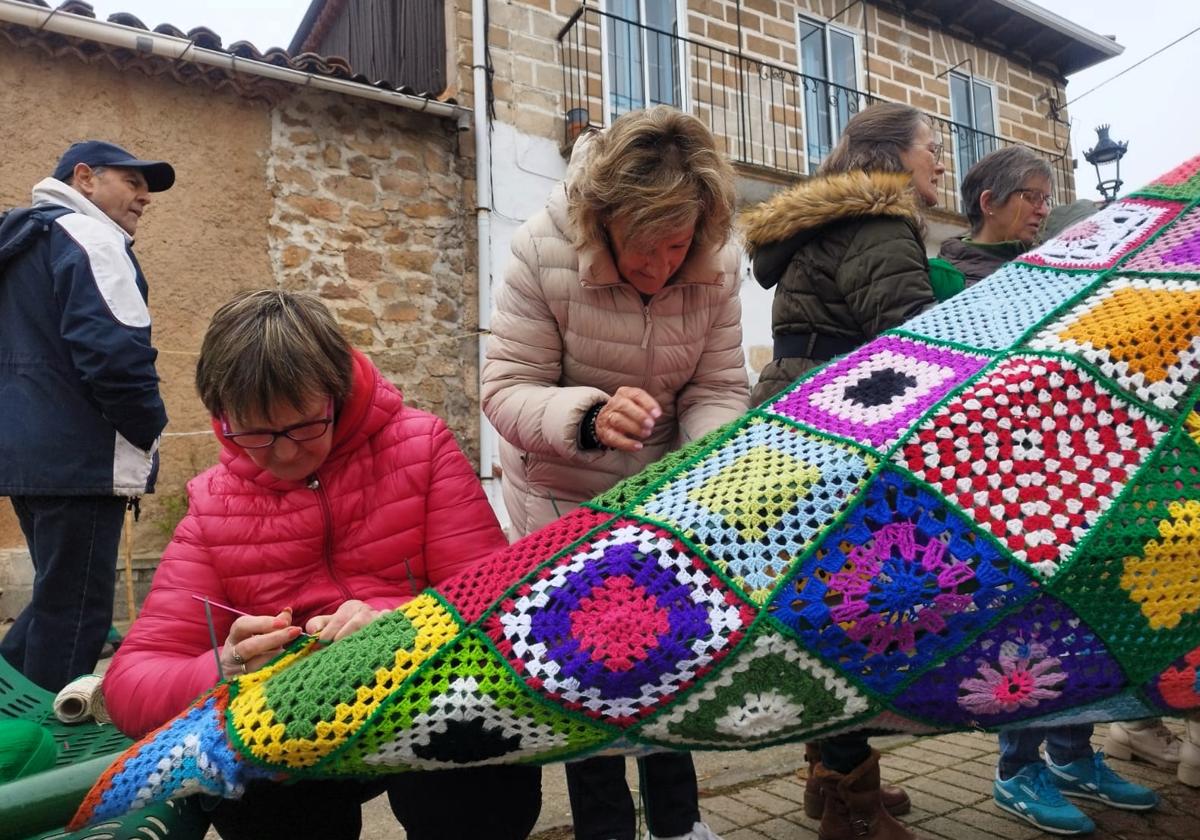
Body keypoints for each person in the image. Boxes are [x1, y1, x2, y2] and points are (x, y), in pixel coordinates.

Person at [102, 290, 542, 840]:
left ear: (336, 394)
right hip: (298, 736)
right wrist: (227, 664)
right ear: (221, 417)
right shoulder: (215, 503)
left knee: (476, 775)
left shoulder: (420, 448)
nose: (285, 453)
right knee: (253, 786)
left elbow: (501, 611)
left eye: (304, 425)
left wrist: (399, 622)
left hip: (418, 701)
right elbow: (130, 680)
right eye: (257, 434)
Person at [482, 105, 749, 840]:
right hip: (559, 496)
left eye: (677, 245)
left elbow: (719, 388)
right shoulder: (541, 252)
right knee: (586, 675)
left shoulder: (718, 261)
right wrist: (591, 418)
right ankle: (605, 831)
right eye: (643, 247)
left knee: (673, 658)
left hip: (666, 499)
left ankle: (680, 824)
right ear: (601, 217)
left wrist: (709, 455)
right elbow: (505, 390)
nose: (662, 266)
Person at [939, 148, 1160, 836]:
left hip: (1075, 473)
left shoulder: (1059, 271)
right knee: (1026, 625)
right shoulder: (946, 277)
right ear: (990, 202)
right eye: (1033, 197)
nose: (1043, 210)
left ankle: (1075, 753)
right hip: (997, 481)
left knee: (1091, 616)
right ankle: (1018, 768)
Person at [739, 101, 945, 840]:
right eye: (932, 146)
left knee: (828, 599)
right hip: (842, 428)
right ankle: (849, 807)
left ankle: (836, 779)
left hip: (799, 411)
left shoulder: (822, 226)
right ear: (892, 157)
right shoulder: (880, 225)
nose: (941, 162)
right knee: (861, 608)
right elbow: (913, 344)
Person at [0, 141, 174, 693]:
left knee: (57, 598)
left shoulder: (23, 243)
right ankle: (50, 743)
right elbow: (115, 356)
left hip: (27, 455)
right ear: (84, 178)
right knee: (76, 615)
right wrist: (149, 432)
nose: (145, 196)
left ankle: (10, 712)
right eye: (133, 181)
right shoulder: (92, 237)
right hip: (81, 458)